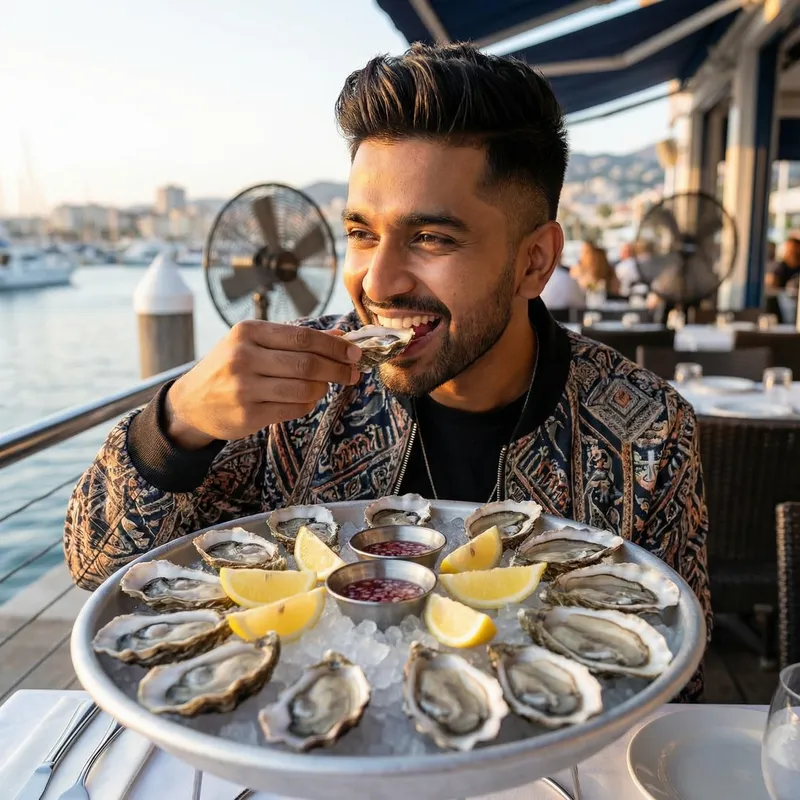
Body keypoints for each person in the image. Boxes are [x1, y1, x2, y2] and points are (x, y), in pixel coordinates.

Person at [63, 43, 710, 700]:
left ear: (535, 262)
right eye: (362, 233)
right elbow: (94, 565)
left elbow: (679, 678)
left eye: (432, 239)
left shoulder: (648, 427)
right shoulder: (286, 391)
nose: (376, 281)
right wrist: (174, 426)